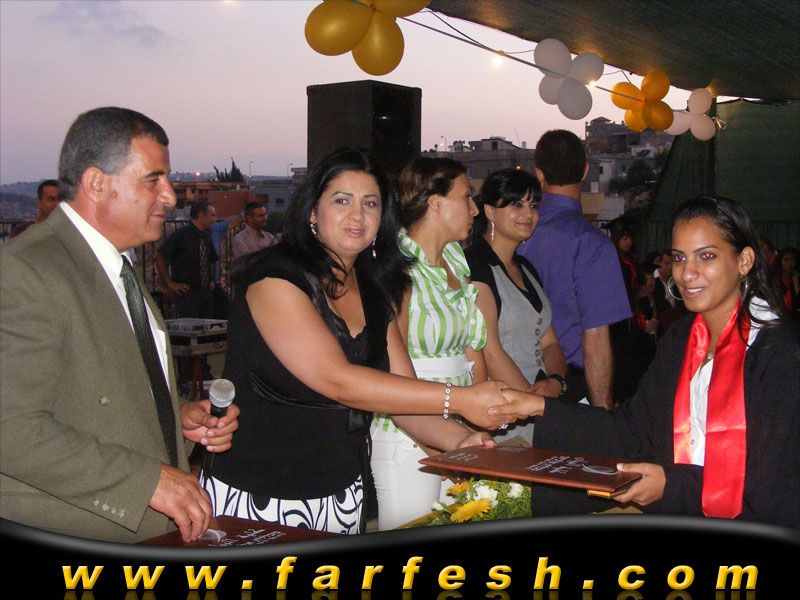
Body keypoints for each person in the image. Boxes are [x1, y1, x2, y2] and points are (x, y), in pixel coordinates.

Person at [201, 148, 509, 534]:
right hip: (260, 493)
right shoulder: (276, 279)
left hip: (341, 492)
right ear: (313, 212)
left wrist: (465, 441)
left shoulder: (375, 289)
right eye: (342, 201)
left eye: (370, 203)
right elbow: (338, 380)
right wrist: (462, 399)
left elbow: (405, 401)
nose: (358, 216)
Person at [0, 106, 239, 543]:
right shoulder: (25, 270)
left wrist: (177, 420)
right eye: (153, 180)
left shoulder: (116, 268)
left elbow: (96, 397)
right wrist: (145, 482)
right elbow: (10, 428)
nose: (170, 197)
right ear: (97, 183)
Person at [494, 196, 800, 529]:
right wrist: (539, 407)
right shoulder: (682, 339)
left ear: (744, 261)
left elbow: (773, 485)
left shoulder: (777, 352)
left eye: (706, 256)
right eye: (679, 258)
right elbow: (634, 430)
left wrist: (671, 485)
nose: (687, 273)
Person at [369, 157, 501, 531]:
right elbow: (396, 374)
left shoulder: (456, 261)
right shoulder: (397, 269)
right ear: (435, 202)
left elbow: (472, 354)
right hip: (408, 434)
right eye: (467, 197)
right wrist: (441, 448)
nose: (475, 209)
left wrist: (478, 425)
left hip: (456, 430)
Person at [518, 130, 631, 409]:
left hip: (513, 379)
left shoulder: (514, 233)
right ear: (585, 171)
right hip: (569, 389)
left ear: (539, 174)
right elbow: (596, 337)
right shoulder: (592, 244)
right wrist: (603, 414)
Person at [464, 168, 568, 443]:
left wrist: (556, 381)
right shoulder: (474, 264)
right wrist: (531, 402)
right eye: (516, 205)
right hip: (502, 412)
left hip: (537, 408)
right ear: (489, 211)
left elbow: (549, 340)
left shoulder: (526, 268)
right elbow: (488, 350)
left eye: (533, 206)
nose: (528, 214)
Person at [156, 200, 219, 389]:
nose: (214, 219)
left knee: (204, 334)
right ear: (201, 215)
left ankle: (202, 371)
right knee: (189, 334)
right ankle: (187, 375)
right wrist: (170, 283)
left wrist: (211, 279)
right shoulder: (182, 235)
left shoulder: (205, 236)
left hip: (204, 292)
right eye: (212, 214)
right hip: (187, 292)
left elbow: (212, 259)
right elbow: (160, 255)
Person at [773, 247, 799, 321]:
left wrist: (796, 282)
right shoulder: (775, 280)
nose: (790, 263)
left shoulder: (796, 279)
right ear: (780, 262)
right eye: (786, 260)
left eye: (792, 260)